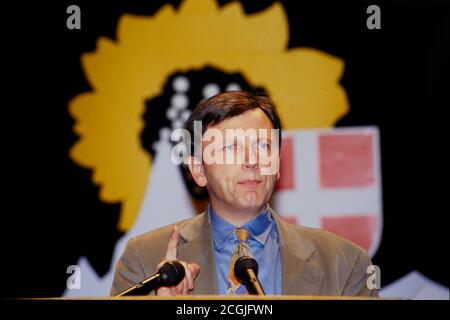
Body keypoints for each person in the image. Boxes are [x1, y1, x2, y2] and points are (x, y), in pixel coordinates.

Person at [110, 90, 378, 297]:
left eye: (263, 146)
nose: (252, 160)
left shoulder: (345, 262)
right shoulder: (144, 259)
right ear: (198, 171)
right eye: (230, 148)